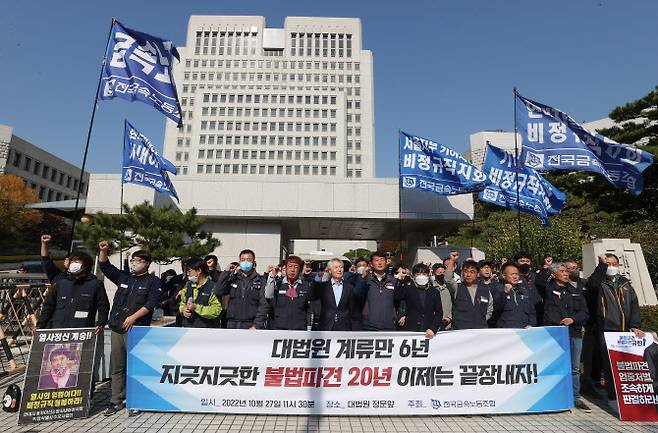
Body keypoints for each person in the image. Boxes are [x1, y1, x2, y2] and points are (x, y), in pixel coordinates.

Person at [98, 241, 161, 417]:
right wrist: (104, 251)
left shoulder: (153, 281)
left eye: (138, 260)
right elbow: (105, 266)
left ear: (147, 263)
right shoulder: (124, 277)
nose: (134, 263)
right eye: (133, 260)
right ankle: (115, 400)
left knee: (135, 367)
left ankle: (135, 400)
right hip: (117, 328)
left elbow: (151, 303)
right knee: (117, 366)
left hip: (136, 330)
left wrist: (134, 317)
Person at [586, 253, 644, 413]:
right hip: (606, 331)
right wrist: (601, 265)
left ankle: (630, 399)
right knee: (609, 366)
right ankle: (613, 398)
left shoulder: (625, 284)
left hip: (625, 331)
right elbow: (591, 285)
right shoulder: (600, 283)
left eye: (613, 264)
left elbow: (634, 306)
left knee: (625, 366)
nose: (611, 267)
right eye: (608, 264)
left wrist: (635, 325)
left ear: (618, 266)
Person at [543, 262, 591, 412]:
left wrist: (573, 319)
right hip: (556, 334)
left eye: (566, 271)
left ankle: (575, 396)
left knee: (575, 368)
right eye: (562, 271)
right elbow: (539, 281)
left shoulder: (575, 291)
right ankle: (555, 394)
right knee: (556, 365)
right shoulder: (548, 289)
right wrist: (546, 268)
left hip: (574, 333)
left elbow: (584, 312)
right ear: (554, 274)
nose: (566, 273)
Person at [37, 236, 109, 333]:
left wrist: (100, 323)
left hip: (82, 330)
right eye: (71, 261)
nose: (73, 264)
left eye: (76, 261)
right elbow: (48, 306)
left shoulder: (95, 284)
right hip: (57, 329)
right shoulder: (61, 282)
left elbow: (103, 306)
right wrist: (40, 326)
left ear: (85, 265)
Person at [216, 249, 267, 329]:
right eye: (243, 260)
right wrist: (226, 272)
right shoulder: (233, 278)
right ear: (239, 262)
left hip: (251, 325)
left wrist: (257, 325)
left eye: (249, 260)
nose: (245, 262)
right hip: (231, 324)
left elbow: (263, 305)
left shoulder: (260, 280)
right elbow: (218, 291)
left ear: (254, 262)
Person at [309, 258, 363, 331]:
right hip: (326, 326)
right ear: (330, 271)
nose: (339, 270)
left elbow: (354, 309)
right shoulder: (322, 287)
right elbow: (311, 296)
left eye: (341, 267)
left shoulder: (349, 287)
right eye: (336, 267)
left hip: (344, 327)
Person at [260, 255, 313, 330]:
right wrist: (272, 276)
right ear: (286, 268)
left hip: (299, 328)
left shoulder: (306, 286)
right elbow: (268, 295)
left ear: (300, 270)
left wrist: (309, 327)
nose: (292, 270)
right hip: (279, 328)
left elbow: (310, 309)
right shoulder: (277, 284)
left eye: (296, 267)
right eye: (290, 266)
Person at [394, 263, 443, 339]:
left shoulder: (434, 292)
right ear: (413, 276)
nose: (421, 276)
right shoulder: (408, 288)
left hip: (428, 330)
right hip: (410, 330)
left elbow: (439, 312)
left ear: (428, 275)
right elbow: (397, 297)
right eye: (418, 274)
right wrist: (400, 281)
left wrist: (433, 328)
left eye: (424, 274)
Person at [354, 251, 398, 331]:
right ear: (371, 264)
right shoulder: (365, 279)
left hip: (389, 324)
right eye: (376, 260)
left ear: (386, 262)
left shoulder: (393, 280)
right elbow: (357, 294)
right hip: (369, 324)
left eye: (382, 260)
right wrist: (363, 277)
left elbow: (399, 300)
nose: (380, 263)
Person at [445, 259, 493, 330]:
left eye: (472, 272)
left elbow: (489, 309)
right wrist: (452, 260)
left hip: (480, 330)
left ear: (478, 274)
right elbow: (448, 279)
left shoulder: (485, 289)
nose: (468, 274)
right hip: (460, 330)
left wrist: (480, 321)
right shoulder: (457, 287)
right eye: (466, 271)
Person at [179, 258, 222, 328]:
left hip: (205, 329)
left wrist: (196, 307)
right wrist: (183, 310)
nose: (187, 274)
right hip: (187, 328)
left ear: (199, 271)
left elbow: (216, 310)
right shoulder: (188, 285)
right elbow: (182, 303)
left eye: (189, 271)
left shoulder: (213, 287)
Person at [492, 263, 536, 329]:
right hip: (507, 331)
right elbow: (495, 309)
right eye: (512, 274)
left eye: (517, 274)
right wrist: (505, 293)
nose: (515, 277)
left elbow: (532, 311)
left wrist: (531, 324)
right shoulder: (497, 289)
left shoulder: (524, 291)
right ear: (504, 275)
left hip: (525, 331)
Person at [431, 263, 453, 330]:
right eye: (439, 272)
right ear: (434, 273)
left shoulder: (450, 287)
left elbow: (456, 304)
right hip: (433, 324)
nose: (442, 274)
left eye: (443, 272)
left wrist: (449, 317)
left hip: (449, 325)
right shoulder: (430, 287)